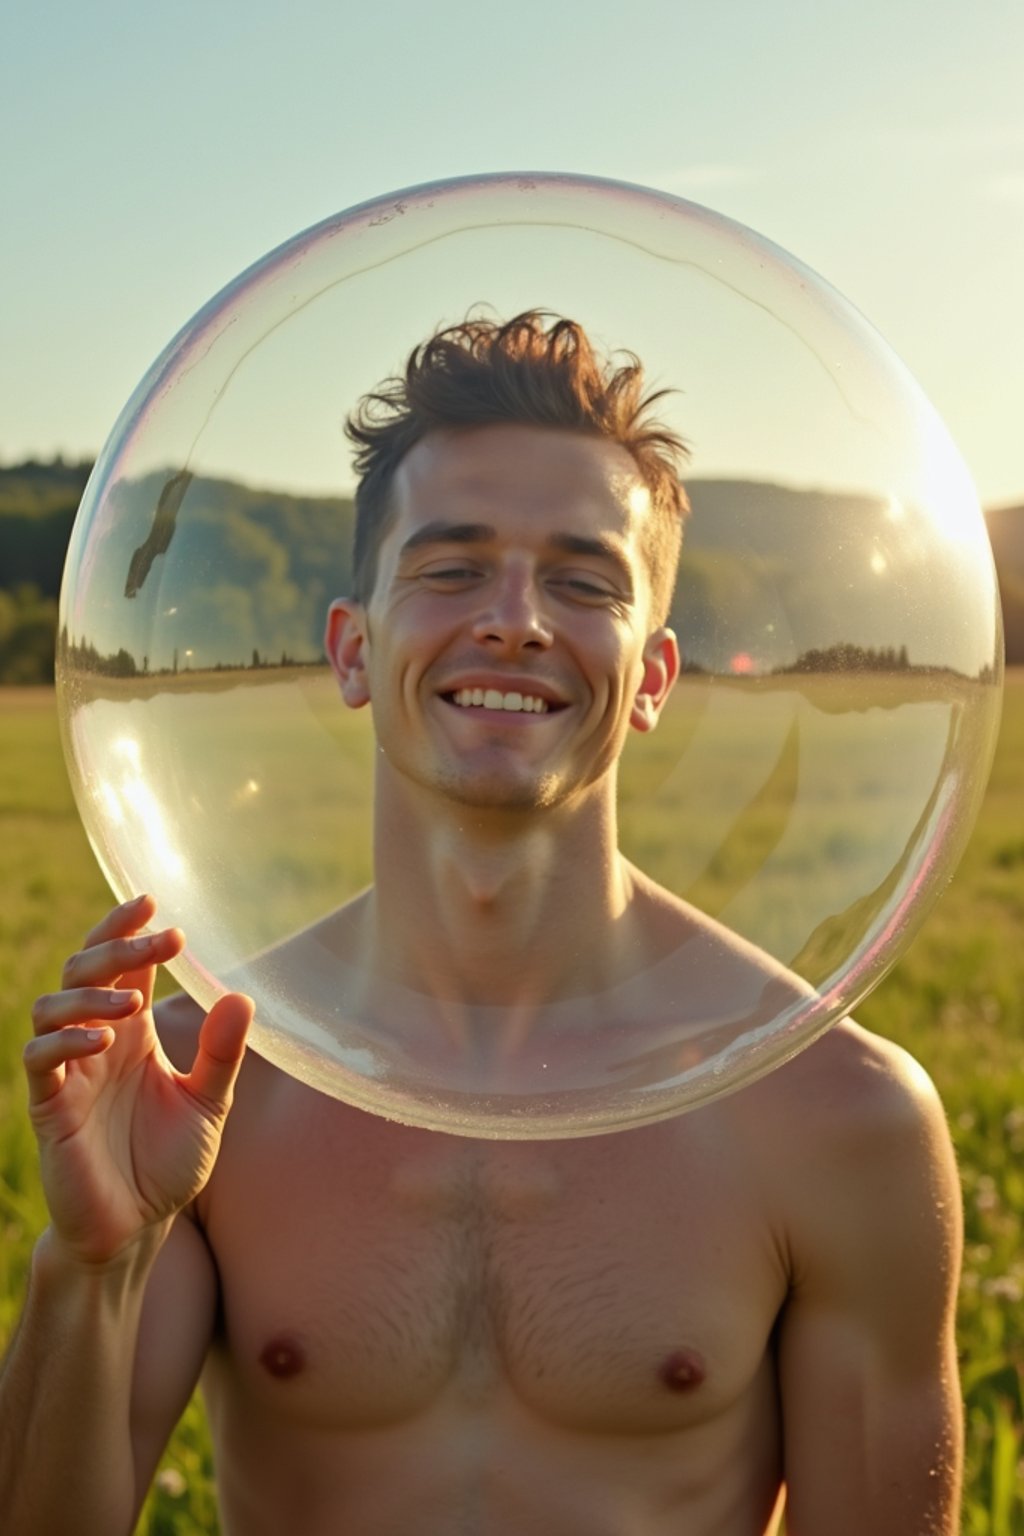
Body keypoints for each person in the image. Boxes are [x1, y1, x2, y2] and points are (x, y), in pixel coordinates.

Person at [1, 314, 962, 1535]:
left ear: (653, 676)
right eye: (451, 568)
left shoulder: (835, 1112)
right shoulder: (207, 1089)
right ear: (354, 648)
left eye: (582, 578)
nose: (515, 618)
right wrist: (88, 1272)